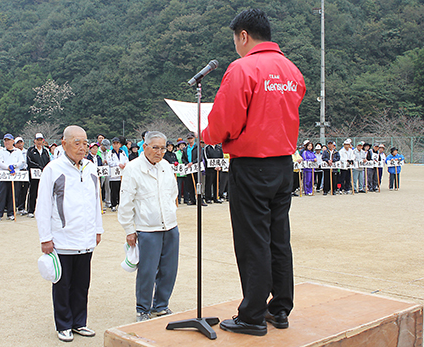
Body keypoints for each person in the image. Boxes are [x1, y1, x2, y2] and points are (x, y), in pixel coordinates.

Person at [202, 9, 306, 336]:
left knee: (253, 240)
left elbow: (224, 121)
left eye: (235, 38)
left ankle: (252, 316)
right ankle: (281, 308)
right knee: (279, 238)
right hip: (282, 164)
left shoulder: (243, 68)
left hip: (251, 164)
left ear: (243, 35)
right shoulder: (292, 71)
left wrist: (208, 135)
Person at [36, 125, 103, 342]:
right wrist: (45, 237)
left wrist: (98, 229)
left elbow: (96, 201)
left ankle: (79, 322)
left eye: (85, 143)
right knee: (63, 285)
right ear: (64, 144)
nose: (83, 147)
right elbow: (43, 206)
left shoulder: (91, 168)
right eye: (77, 142)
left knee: (82, 284)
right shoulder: (53, 169)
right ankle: (63, 324)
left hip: (86, 237)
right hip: (62, 238)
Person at [118, 131, 179, 322]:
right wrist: (129, 229)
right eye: (155, 148)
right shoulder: (133, 168)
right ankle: (143, 308)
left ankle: (161, 305)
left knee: (169, 269)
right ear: (144, 147)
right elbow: (126, 201)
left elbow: (173, 193)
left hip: (170, 226)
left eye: (162, 148)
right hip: (147, 228)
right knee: (147, 270)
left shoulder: (166, 166)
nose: (159, 152)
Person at [0, 134, 25, 221]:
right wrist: (7, 167)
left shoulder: (18, 151)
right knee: (2, 195)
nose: (7, 142)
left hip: (14, 175)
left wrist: (14, 166)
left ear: (12, 141)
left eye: (8, 140)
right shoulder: (1, 151)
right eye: (5, 140)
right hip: (4, 175)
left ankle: (11, 213)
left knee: (13, 194)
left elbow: (21, 161)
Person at [26, 133, 50, 218]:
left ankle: (42, 211)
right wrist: (39, 167)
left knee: (43, 193)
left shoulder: (46, 151)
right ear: (34, 141)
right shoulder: (31, 150)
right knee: (33, 192)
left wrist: (45, 169)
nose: (39, 142)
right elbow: (29, 161)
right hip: (34, 175)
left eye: (41, 140)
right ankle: (31, 210)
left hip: (43, 175)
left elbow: (48, 161)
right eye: (37, 140)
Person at [108, 137, 128, 212]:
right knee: (113, 190)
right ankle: (113, 205)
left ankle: (120, 204)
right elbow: (110, 162)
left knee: (121, 190)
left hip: (121, 174)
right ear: (112, 145)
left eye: (117, 144)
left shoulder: (122, 152)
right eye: (114, 144)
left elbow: (126, 159)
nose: (116, 145)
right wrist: (118, 164)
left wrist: (125, 163)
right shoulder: (110, 153)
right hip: (113, 175)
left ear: (120, 144)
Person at [14, 137, 29, 215]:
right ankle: (14, 206)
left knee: (24, 190)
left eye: (21, 142)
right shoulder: (14, 152)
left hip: (25, 172)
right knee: (17, 190)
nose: (20, 144)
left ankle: (21, 207)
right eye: (18, 143)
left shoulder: (26, 151)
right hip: (17, 172)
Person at [98, 139, 111, 207]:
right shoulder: (97, 151)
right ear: (102, 145)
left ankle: (108, 202)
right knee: (99, 187)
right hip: (100, 170)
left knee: (108, 187)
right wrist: (102, 161)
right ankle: (98, 203)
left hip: (107, 170)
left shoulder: (109, 152)